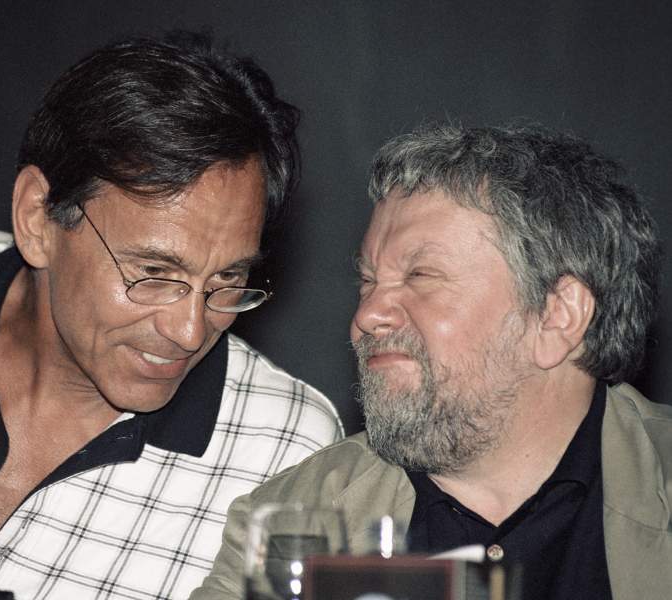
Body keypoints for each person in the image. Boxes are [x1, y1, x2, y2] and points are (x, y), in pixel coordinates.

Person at [0, 32, 343, 599]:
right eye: (153, 273)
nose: (190, 330)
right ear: (37, 219)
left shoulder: (283, 454)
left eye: (228, 280)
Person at [190, 124, 671, 600]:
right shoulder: (300, 518)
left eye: (420, 275)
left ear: (558, 315)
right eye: (367, 282)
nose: (366, 316)